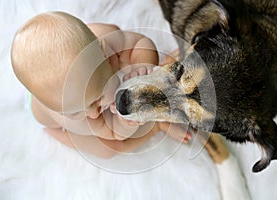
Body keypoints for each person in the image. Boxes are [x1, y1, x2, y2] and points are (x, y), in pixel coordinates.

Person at [11, 11, 191, 158]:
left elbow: (140, 42)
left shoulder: (105, 36)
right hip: (53, 121)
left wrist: (142, 66)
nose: (93, 113)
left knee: (118, 35)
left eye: (96, 100)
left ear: (106, 55)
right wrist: (125, 123)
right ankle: (157, 127)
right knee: (107, 150)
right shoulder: (72, 118)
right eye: (78, 110)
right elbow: (113, 133)